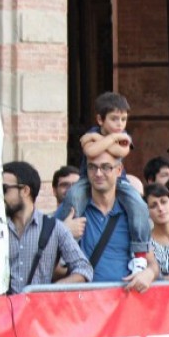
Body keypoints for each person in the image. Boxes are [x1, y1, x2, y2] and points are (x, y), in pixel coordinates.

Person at [55, 92, 151, 275]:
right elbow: (91, 152)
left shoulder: (115, 136)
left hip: (121, 183)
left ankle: (139, 255)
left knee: (138, 205)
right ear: (100, 119)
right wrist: (111, 140)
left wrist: (104, 141)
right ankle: (67, 244)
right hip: (85, 181)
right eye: (114, 119)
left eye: (123, 119)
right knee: (73, 196)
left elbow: (118, 151)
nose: (120, 124)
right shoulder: (97, 133)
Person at [3, 161, 92, 294]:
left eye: (4, 189)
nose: (0, 195)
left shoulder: (55, 228)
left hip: (39, 311)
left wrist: (52, 290)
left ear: (25, 191)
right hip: (3, 311)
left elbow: (84, 269)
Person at [78, 152, 160, 289]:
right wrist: (65, 231)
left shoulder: (132, 214)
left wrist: (149, 273)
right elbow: (54, 268)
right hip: (84, 303)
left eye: (106, 167)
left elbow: (152, 263)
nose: (98, 173)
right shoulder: (76, 211)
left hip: (123, 304)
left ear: (119, 170)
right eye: (92, 167)